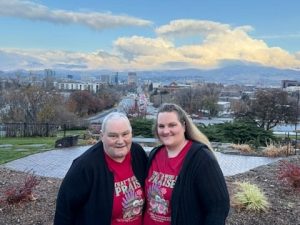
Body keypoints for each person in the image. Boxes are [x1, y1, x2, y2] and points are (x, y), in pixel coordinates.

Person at [54, 112, 148, 225]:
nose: (120, 141)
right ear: (102, 136)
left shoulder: (138, 154)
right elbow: (64, 211)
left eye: (125, 134)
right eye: (113, 135)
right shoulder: (84, 166)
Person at [143, 103, 230, 225]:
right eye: (161, 126)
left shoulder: (201, 158)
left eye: (172, 125)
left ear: (184, 126)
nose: (166, 131)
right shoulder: (154, 154)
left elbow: (218, 208)